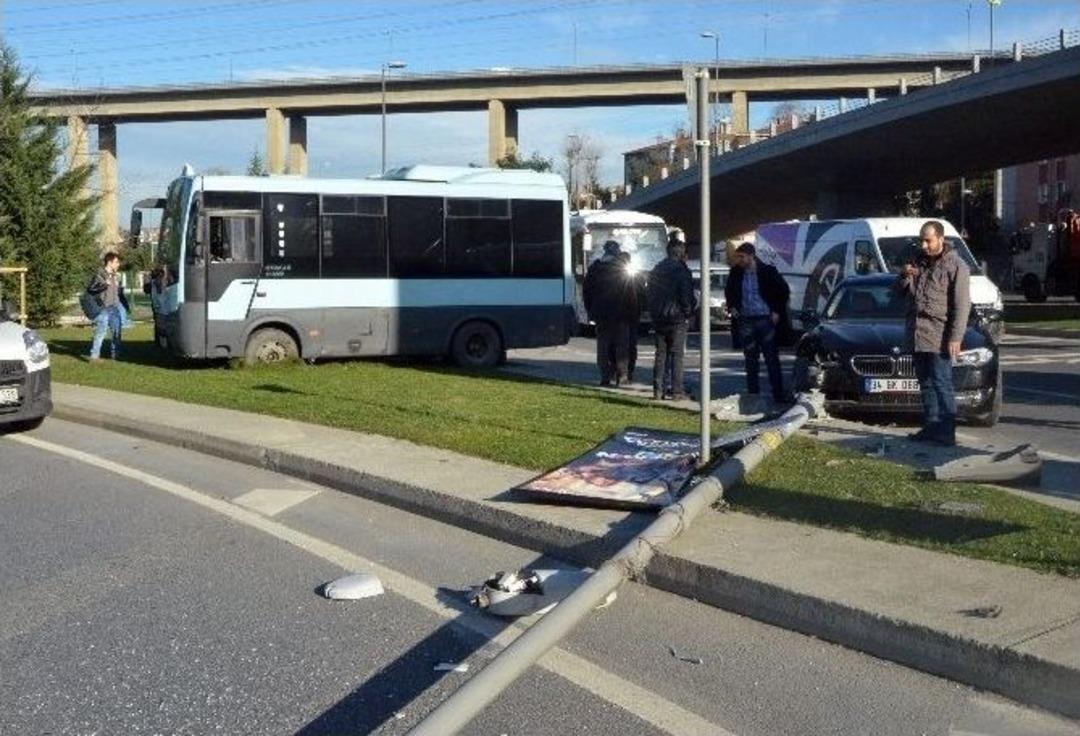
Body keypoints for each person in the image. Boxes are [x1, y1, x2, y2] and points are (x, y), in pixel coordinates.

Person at [895, 220, 970, 447]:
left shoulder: (956, 266)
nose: (924, 245)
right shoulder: (918, 263)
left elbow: (962, 305)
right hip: (917, 334)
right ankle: (932, 426)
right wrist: (903, 275)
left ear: (940, 238)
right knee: (925, 383)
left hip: (940, 335)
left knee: (941, 382)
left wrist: (956, 337)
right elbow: (898, 293)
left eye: (928, 240)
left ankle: (947, 431)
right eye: (921, 240)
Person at [725, 242, 792, 404]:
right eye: (737, 257)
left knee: (771, 359)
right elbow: (729, 291)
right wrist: (732, 307)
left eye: (742, 257)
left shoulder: (767, 271)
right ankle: (753, 395)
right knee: (750, 359)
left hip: (765, 319)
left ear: (751, 256)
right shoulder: (736, 272)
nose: (739, 260)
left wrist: (776, 310)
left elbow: (783, 290)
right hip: (746, 320)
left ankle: (778, 395)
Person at [583, 240, 640, 387]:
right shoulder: (622, 269)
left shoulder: (595, 269)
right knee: (621, 345)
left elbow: (587, 292)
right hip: (621, 313)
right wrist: (634, 312)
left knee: (603, 345)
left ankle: (605, 376)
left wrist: (590, 310)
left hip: (601, 314)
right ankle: (622, 376)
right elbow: (630, 292)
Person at [647, 233, 695, 400]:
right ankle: (676, 391)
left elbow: (649, 293)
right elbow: (686, 296)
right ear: (680, 253)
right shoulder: (682, 271)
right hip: (677, 318)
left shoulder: (656, 269)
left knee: (660, 354)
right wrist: (689, 312)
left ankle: (658, 390)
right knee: (676, 355)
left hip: (659, 317)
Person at [86, 251, 129, 362]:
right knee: (101, 332)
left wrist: (125, 305)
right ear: (109, 262)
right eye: (116, 262)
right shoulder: (99, 275)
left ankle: (116, 355)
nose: (118, 264)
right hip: (102, 309)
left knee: (117, 332)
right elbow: (90, 289)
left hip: (114, 308)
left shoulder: (115, 276)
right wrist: (105, 284)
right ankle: (94, 357)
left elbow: (118, 294)